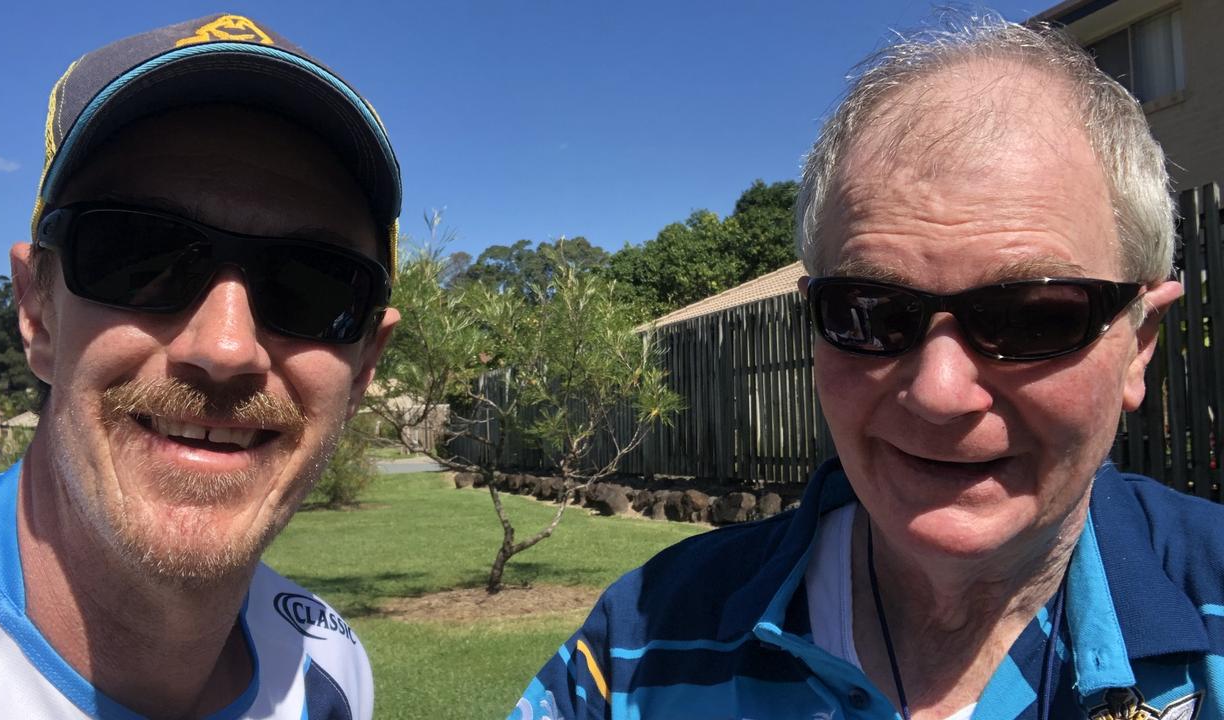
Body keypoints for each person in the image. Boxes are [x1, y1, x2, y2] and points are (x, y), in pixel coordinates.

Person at [512, 15, 1224, 720]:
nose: (940, 393)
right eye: (870, 312)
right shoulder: (642, 640)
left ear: (1139, 342)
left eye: (1031, 316)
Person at [0, 14, 400, 719]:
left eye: (314, 286)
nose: (225, 348)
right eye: (139, 257)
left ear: (364, 365)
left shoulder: (329, 677)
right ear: (37, 312)